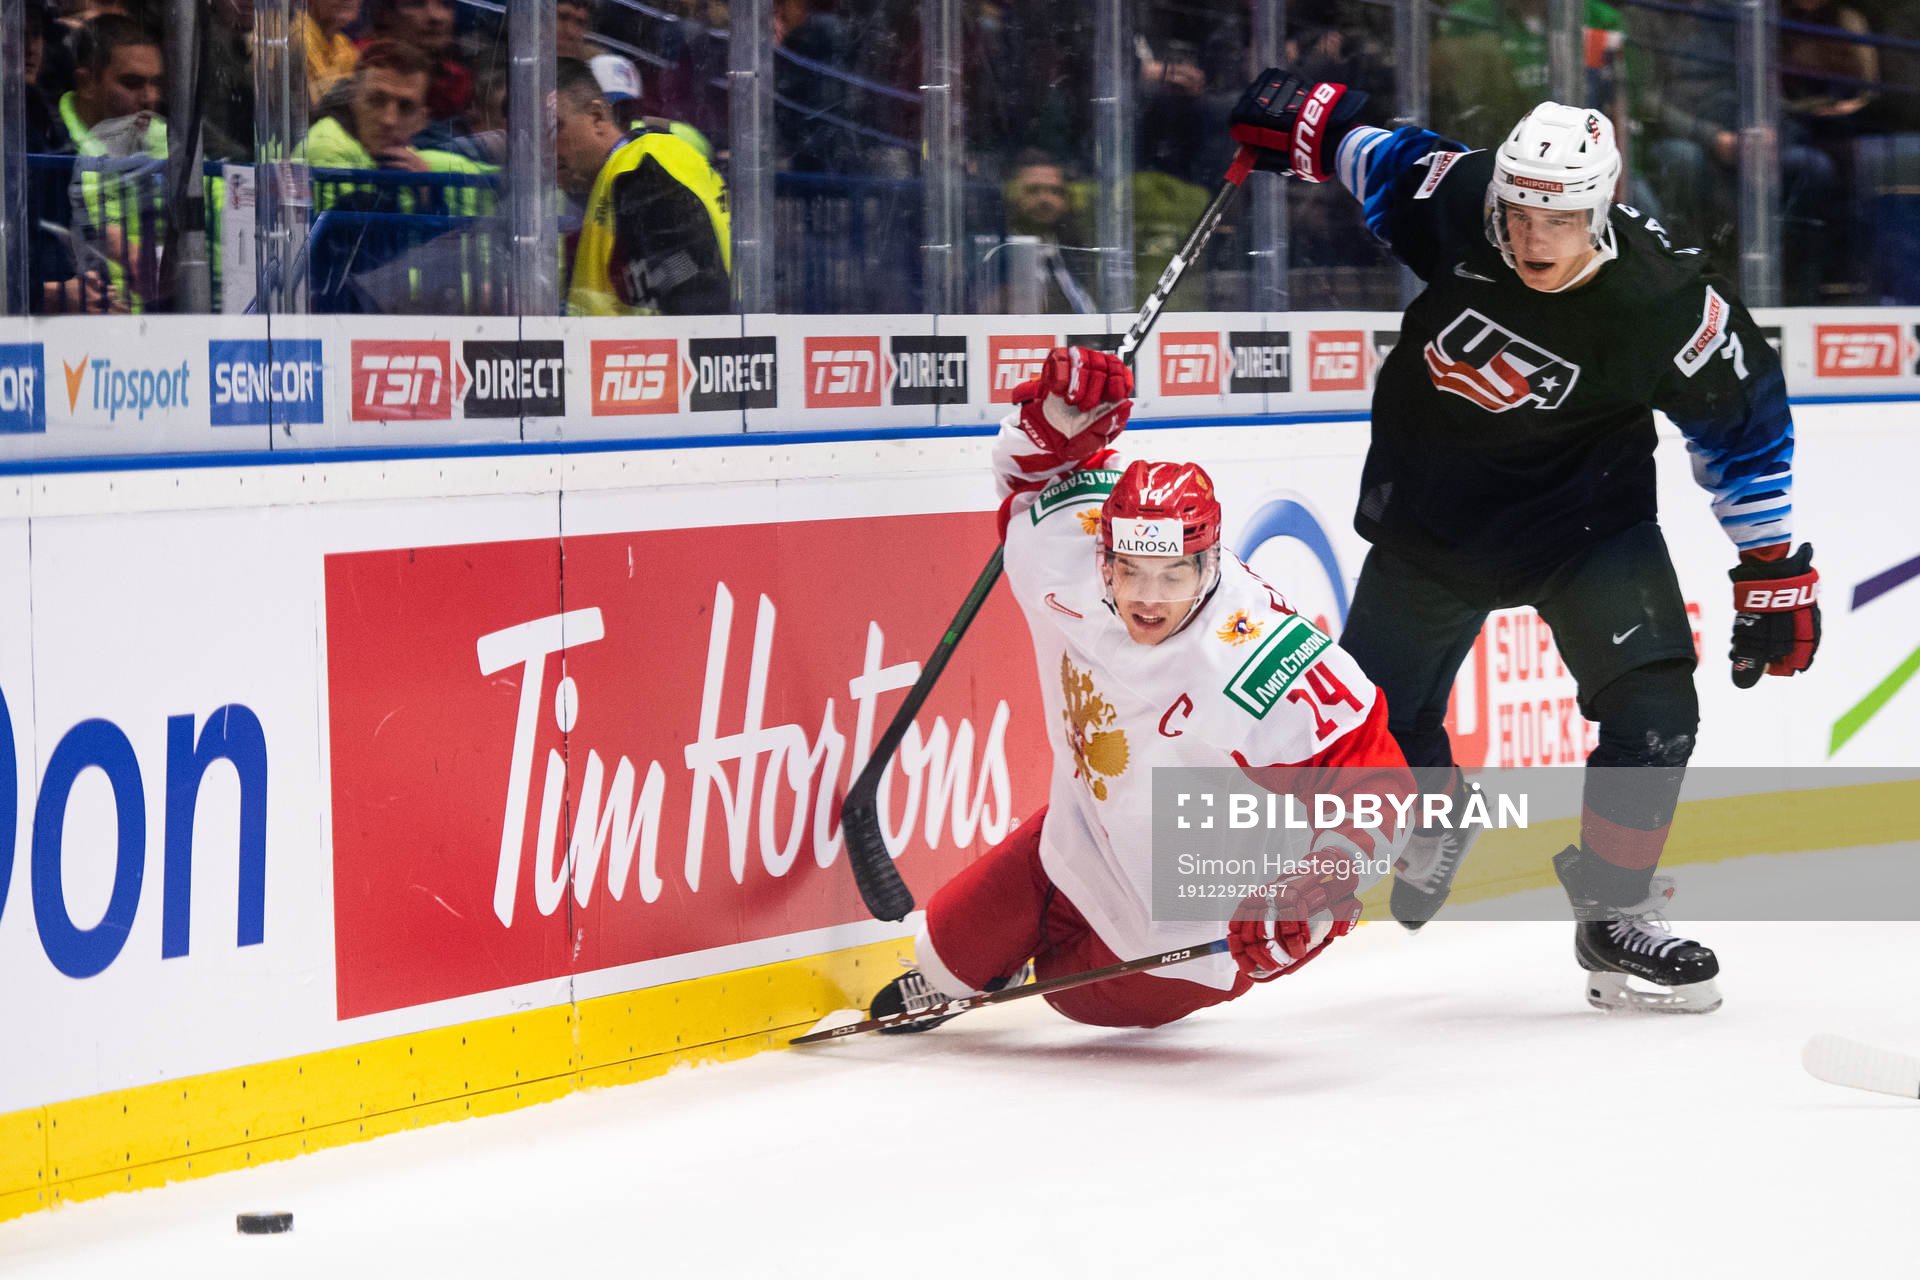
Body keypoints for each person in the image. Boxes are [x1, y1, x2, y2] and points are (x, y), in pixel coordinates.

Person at [1227, 72, 1822, 1012]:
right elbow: (1372, 150)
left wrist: (1775, 571)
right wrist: (1311, 119)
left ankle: (1613, 915)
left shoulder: (1668, 303)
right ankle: (1440, 814)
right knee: (1383, 725)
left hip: (1584, 525)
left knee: (1657, 708)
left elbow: (1747, 440)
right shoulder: (1460, 198)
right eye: (1518, 214)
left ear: (1604, 208)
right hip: (1433, 518)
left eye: (1558, 219)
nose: (1531, 238)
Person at [868, 347, 1413, 1033]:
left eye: (1174, 576)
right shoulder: (1062, 551)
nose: (1148, 601)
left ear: (1210, 565)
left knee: (1060, 991)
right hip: (1080, 833)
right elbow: (1033, 481)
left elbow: (1382, 786)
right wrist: (1055, 427)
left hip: (1187, 919)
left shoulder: (1250, 659)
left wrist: (1316, 891)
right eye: (1130, 572)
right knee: (946, 952)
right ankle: (968, 968)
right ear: (1103, 556)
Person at [554, 57, 730, 316]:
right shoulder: (619, 179)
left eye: (553, 128)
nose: (542, 149)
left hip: (676, 353)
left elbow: (693, 289)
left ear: (597, 117)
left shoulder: (642, 167)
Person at [57, 13, 166, 312]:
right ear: (87, 82)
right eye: (132, 83)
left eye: (157, 83)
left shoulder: (164, 140)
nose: (150, 97)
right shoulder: (52, 145)